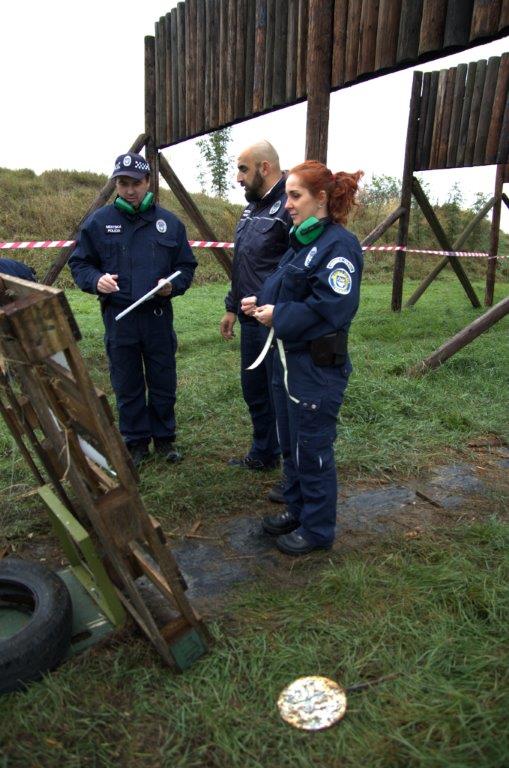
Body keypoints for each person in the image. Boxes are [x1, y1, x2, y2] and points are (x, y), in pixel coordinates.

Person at [241, 161, 363, 555]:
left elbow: (332, 307)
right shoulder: (303, 241)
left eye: (295, 196)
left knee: (312, 448)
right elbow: (286, 288)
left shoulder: (338, 246)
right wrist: (260, 302)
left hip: (316, 368)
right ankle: (296, 509)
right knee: (291, 443)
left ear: (320, 198)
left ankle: (317, 529)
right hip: (289, 364)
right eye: (287, 196)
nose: (288, 204)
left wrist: (279, 315)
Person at [69, 152, 197, 468]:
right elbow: (80, 263)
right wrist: (96, 280)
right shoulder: (99, 222)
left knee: (163, 379)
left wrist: (172, 285)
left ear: (148, 181)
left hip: (157, 317)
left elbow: (186, 266)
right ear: (116, 184)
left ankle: (164, 438)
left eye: (135, 183)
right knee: (127, 383)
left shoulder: (170, 224)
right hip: (119, 318)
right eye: (123, 183)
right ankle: (136, 442)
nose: (129, 190)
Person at [220, 140, 292, 496]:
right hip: (249, 320)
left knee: (284, 396)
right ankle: (264, 452)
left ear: (265, 168)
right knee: (255, 390)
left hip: (274, 322)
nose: (237, 178)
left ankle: (293, 474)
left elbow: (298, 268)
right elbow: (244, 263)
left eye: (243, 169)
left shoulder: (290, 206)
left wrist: (276, 307)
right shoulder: (250, 209)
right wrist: (232, 306)